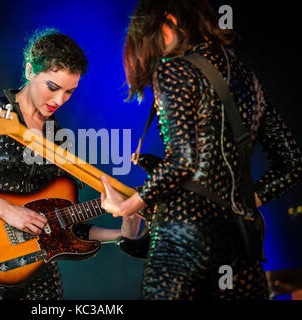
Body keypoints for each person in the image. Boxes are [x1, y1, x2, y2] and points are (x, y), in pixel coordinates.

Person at [99, 0, 302, 300]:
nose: (150, 51)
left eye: (148, 36)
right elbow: (293, 164)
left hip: (184, 235)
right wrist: (245, 199)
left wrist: (127, 206)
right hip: (241, 242)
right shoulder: (247, 77)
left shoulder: (174, 69)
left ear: (168, 22)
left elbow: (183, 162)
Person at [0, 28, 140, 300]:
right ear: (29, 70)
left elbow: (64, 221)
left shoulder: (58, 139)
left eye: (69, 92)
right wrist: (7, 211)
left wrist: (123, 229)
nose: (59, 100)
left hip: (41, 268)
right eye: (53, 87)